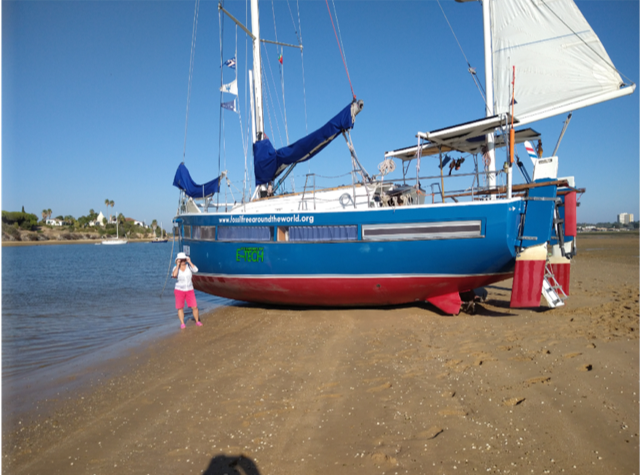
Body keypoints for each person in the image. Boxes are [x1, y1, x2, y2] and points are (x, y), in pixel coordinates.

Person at [172, 252, 202, 329]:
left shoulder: (189, 266)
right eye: (181, 260)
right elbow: (174, 275)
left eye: (184, 259)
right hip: (179, 290)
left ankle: (197, 321)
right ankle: (182, 323)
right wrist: (178, 265)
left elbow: (196, 270)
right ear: (178, 260)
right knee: (180, 307)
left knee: (194, 306)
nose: (183, 261)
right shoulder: (176, 268)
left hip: (189, 289)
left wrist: (189, 261)